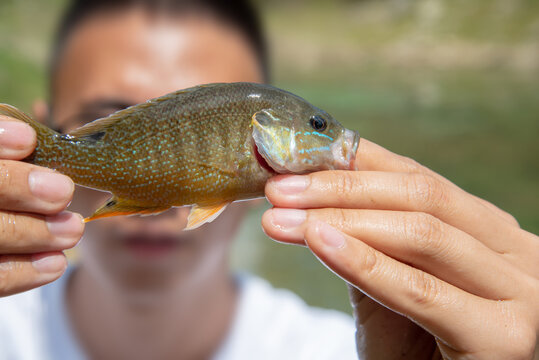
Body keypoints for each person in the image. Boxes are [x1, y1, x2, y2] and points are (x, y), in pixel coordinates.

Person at [0, 0, 537, 359]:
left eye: (318, 126)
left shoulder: (333, 348)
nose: (159, 228)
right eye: (317, 128)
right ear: (50, 116)